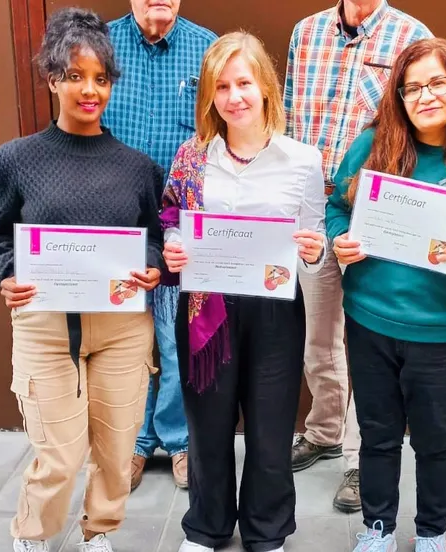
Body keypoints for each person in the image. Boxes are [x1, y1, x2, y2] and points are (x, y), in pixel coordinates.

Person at [0, 8, 164, 552]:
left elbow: (153, 235)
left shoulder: (137, 167)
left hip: (123, 329)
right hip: (45, 327)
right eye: (76, 76)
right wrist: (6, 276)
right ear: (53, 78)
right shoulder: (14, 161)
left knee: (116, 446)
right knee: (57, 450)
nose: (90, 90)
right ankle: (32, 535)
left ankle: (97, 533)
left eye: (100, 79)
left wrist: (153, 263)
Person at [327, 38, 446, 551]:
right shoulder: (372, 147)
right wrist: (338, 239)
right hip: (370, 322)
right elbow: (338, 210)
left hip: (442, 333)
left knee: (435, 440)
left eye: (437, 83)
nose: (425, 96)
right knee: (377, 436)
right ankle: (378, 528)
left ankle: (431, 533)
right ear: (399, 97)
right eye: (412, 88)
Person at [159, 32, 327, 552]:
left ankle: (267, 530)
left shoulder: (302, 160)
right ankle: (206, 528)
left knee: (270, 427)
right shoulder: (192, 157)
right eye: (222, 86)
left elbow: (314, 248)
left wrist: (314, 248)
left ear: (266, 87)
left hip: (274, 310)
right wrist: (173, 247)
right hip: (206, 307)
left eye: (244, 83)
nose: (235, 96)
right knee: (207, 424)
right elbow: (171, 217)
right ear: (210, 95)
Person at [283, 0, 432, 513]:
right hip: (310, 210)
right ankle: (324, 431)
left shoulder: (410, 34)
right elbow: (287, 116)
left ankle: (360, 458)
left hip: (373, 214)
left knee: (368, 342)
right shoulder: (306, 33)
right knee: (318, 335)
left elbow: (421, 128)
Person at [103, 0, 217, 491]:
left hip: (179, 223)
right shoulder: (100, 43)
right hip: (115, 218)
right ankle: (130, 442)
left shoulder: (206, 47)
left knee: (174, 339)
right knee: (123, 339)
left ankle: (178, 441)